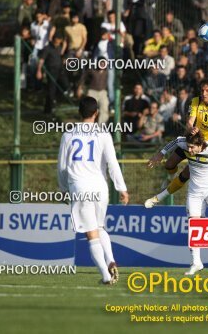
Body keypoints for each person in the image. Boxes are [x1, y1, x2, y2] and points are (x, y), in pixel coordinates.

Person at [57, 97, 129, 285]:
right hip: (100, 187)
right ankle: (111, 260)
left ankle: (106, 276)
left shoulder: (68, 135)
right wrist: (122, 187)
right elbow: (113, 163)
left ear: (79, 113)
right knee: (99, 227)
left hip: (80, 187)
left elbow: (62, 167)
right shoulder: (104, 134)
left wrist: (64, 188)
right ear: (96, 113)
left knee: (91, 234)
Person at [147, 131, 208, 276]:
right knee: (194, 225)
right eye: (188, 147)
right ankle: (196, 262)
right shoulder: (183, 143)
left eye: (193, 147)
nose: (189, 150)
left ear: (201, 145)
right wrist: (161, 153)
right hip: (194, 191)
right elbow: (174, 142)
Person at [144, 79, 208, 208]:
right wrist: (191, 128)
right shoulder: (196, 101)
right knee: (169, 165)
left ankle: (158, 198)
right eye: (202, 90)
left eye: (207, 91)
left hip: (206, 149)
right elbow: (189, 122)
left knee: (186, 174)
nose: (204, 93)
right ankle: (170, 179)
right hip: (193, 141)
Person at [36, 34, 68, 114]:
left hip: (60, 70)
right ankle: (48, 110)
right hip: (51, 71)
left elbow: (62, 55)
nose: (57, 43)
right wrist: (39, 71)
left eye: (59, 42)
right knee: (51, 91)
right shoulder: (47, 48)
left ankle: (55, 98)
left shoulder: (59, 48)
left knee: (65, 85)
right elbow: (41, 60)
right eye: (56, 42)